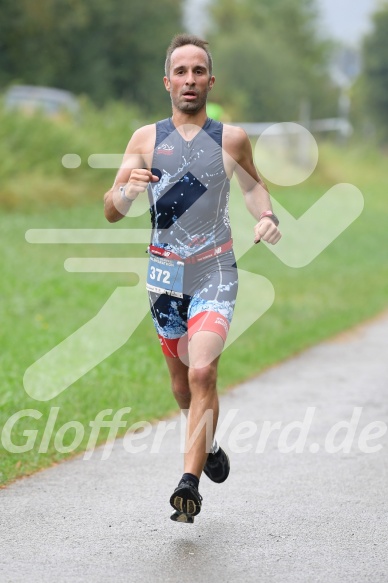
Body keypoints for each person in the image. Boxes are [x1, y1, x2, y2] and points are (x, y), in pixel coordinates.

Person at [104, 33, 282, 523]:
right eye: (180, 72)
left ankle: (188, 483)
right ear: (167, 82)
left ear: (210, 80)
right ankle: (210, 443)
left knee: (203, 371)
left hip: (215, 269)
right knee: (183, 390)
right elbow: (111, 211)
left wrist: (267, 216)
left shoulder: (231, 138)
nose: (189, 80)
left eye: (198, 71)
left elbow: (252, 187)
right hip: (163, 273)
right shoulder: (145, 139)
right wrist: (125, 191)